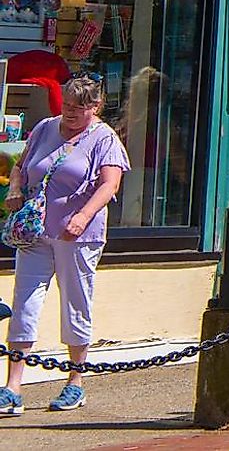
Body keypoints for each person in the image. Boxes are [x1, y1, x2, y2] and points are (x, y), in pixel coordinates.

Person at [2, 75, 126, 415]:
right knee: (25, 301)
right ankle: (13, 386)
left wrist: (83, 216)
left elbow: (109, 185)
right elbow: (21, 167)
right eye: (67, 105)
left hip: (78, 236)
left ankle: (75, 381)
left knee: (75, 303)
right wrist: (15, 190)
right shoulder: (45, 127)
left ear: (95, 107)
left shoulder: (104, 139)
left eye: (78, 108)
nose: (69, 113)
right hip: (36, 231)